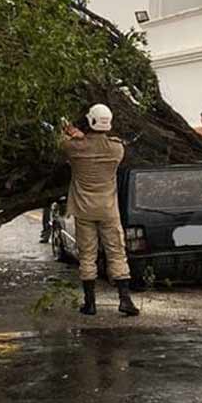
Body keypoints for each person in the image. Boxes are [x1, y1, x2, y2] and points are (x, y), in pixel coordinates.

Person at [61, 104, 140, 317]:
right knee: (116, 252)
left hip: (84, 209)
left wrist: (74, 134)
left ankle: (90, 303)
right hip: (108, 209)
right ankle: (125, 300)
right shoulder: (117, 149)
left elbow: (62, 143)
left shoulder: (74, 147)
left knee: (87, 255)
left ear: (89, 121)